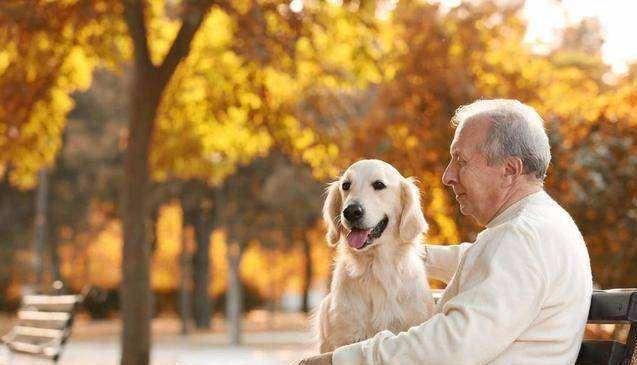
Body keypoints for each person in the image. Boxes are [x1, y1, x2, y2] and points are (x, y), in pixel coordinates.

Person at [297, 99, 593, 365]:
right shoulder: (538, 225)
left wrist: (343, 361)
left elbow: (454, 346)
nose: (447, 176)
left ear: (509, 170)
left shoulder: (522, 238)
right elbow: (479, 260)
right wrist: (405, 252)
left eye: (461, 161)